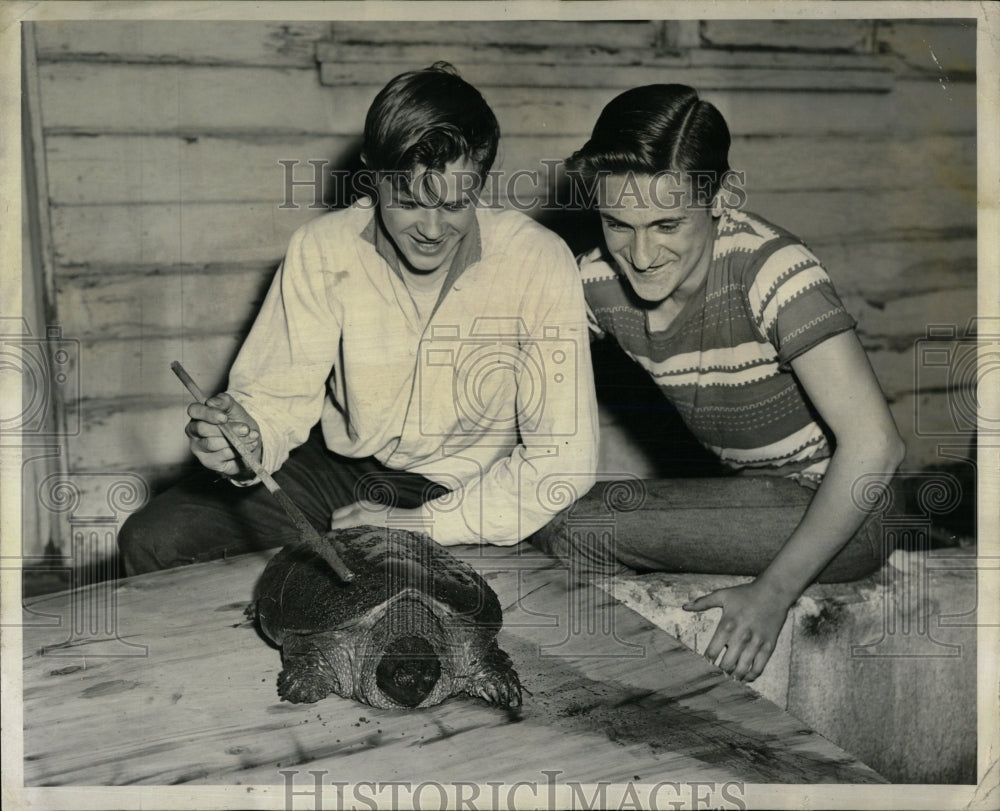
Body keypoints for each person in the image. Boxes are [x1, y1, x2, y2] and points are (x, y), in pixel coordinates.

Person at [118, 63, 599, 574]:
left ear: (482, 178)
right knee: (154, 539)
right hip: (335, 470)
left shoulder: (538, 260)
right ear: (372, 174)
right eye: (410, 201)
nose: (433, 229)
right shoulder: (322, 248)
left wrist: (416, 525)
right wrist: (246, 441)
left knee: (382, 596)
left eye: (457, 203)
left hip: (462, 486)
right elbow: (275, 399)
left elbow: (563, 461)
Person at [552, 84, 905, 681]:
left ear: (717, 199)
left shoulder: (771, 271)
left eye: (668, 224)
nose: (640, 254)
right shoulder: (597, 281)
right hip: (753, 498)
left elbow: (878, 447)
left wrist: (772, 594)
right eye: (617, 223)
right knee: (551, 513)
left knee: (580, 524)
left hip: (850, 510)